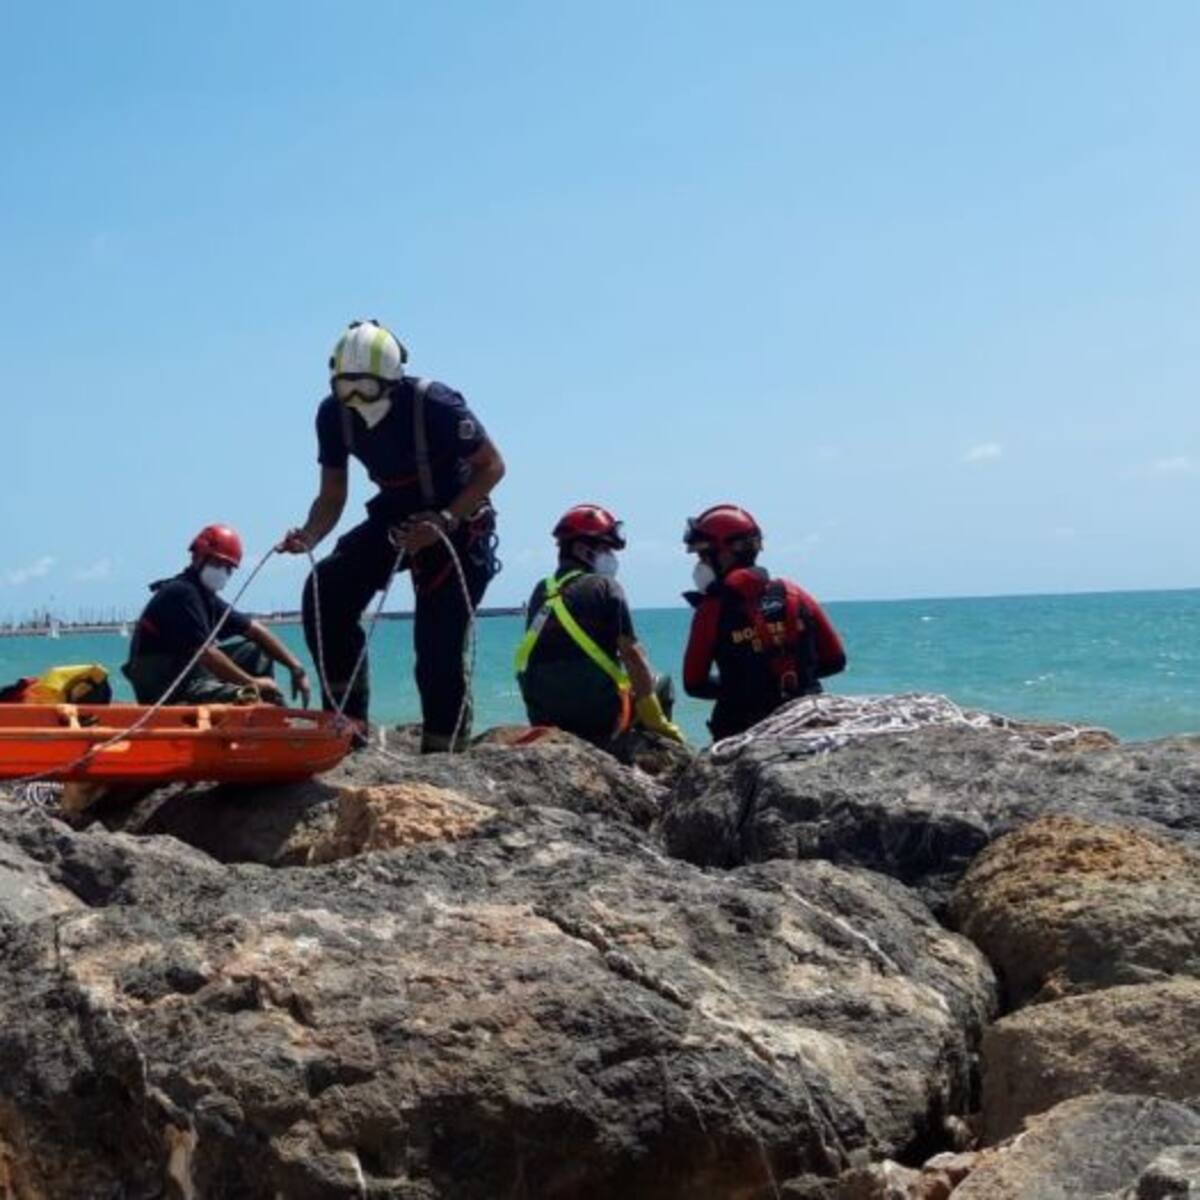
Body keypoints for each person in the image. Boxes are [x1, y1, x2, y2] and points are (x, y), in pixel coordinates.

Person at [279, 319, 505, 752]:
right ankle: (348, 723)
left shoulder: (436, 404)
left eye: (366, 387)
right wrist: (308, 536)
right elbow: (331, 495)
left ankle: (444, 749)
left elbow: (492, 466)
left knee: (437, 647)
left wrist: (444, 520)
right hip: (396, 513)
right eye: (346, 388)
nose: (357, 400)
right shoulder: (333, 415)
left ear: (392, 378)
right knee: (326, 591)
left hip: (458, 518)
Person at [515, 504, 685, 747]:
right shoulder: (605, 587)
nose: (612, 558)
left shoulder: (541, 591)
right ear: (583, 549)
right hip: (598, 718)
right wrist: (655, 718)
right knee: (663, 683)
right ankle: (654, 749)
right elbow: (632, 655)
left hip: (544, 716)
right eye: (606, 549)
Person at [682, 504, 845, 741]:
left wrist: (741, 686)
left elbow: (694, 684)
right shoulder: (795, 594)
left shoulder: (711, 609)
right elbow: (835, 660)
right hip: (809, 721)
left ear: (727, 552)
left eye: (704, 555)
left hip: (741, 731)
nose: (701, 564)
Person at [123, 524, 311, 706]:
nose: (223, 571)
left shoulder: (204, 596)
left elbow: (254, 629)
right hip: (164, 687)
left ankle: (267, 709)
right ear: (198, 557)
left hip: (187, 673)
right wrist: (251, 682)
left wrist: (296, 668)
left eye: (228, 567)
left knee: (257, 651)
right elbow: (207, 654)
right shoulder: (182, 592)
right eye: (217, 563)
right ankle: (265, 717)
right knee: (249, 694)